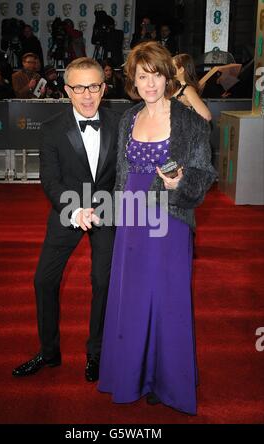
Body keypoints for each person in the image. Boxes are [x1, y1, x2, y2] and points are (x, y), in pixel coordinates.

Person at [98, 41, 217, 415]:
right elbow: (122, 173)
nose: (149, 84)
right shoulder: (128, 118)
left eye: (156, 75)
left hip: (170, 216)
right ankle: (131, 374)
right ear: (132, 80)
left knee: (167, 298)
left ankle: (166, 380)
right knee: (131, 296)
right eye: (141, 76)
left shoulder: (189, 121)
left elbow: (204, 173)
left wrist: (180, 183)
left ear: (169, 77)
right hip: (133, 217)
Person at [12, 57, 120, 382]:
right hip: (67, 209)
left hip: (107, 208)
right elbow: (50, 179)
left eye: (94, 87)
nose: (87, 95)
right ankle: (49, 352)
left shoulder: (121, 123)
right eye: (78, 87)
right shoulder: (52, 128)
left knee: (103, 282)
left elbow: (124, 176)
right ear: (66, 89)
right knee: (43, 280)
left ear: (104, 87)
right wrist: (73, 211)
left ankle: (96, 353)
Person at [173, 53, 212, 121]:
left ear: (181, 70)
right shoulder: (180, 87)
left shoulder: (188, 90)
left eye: (172, 67)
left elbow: (207, 116)